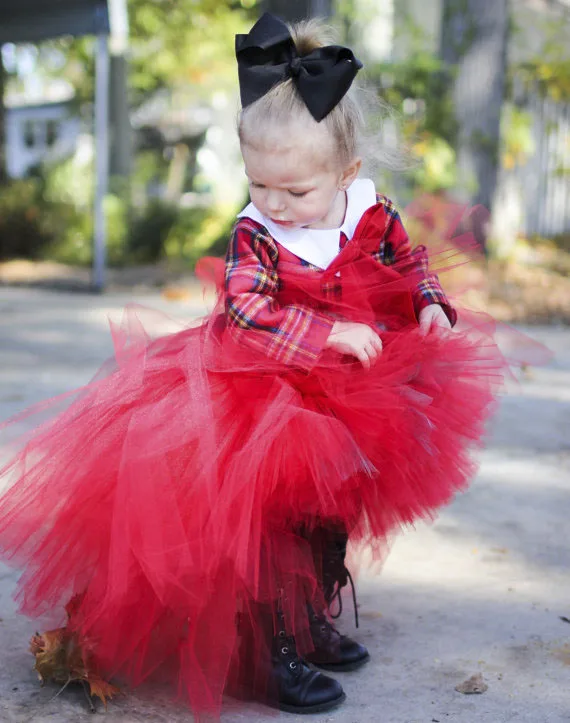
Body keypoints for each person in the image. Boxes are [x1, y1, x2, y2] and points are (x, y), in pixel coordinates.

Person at [0, 12, 504, 720]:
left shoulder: (368, 208)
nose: (275, 203)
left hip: (352, 393)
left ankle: (310, 617)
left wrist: (427, 300)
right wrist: (324, 333)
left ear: (346, 172)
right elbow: (243, 311)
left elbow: (408, 258)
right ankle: (268, 650)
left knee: (329, 514)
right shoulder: (256, 231)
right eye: (258, 183)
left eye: (296, 192)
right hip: (258, 391)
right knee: (271, 522)